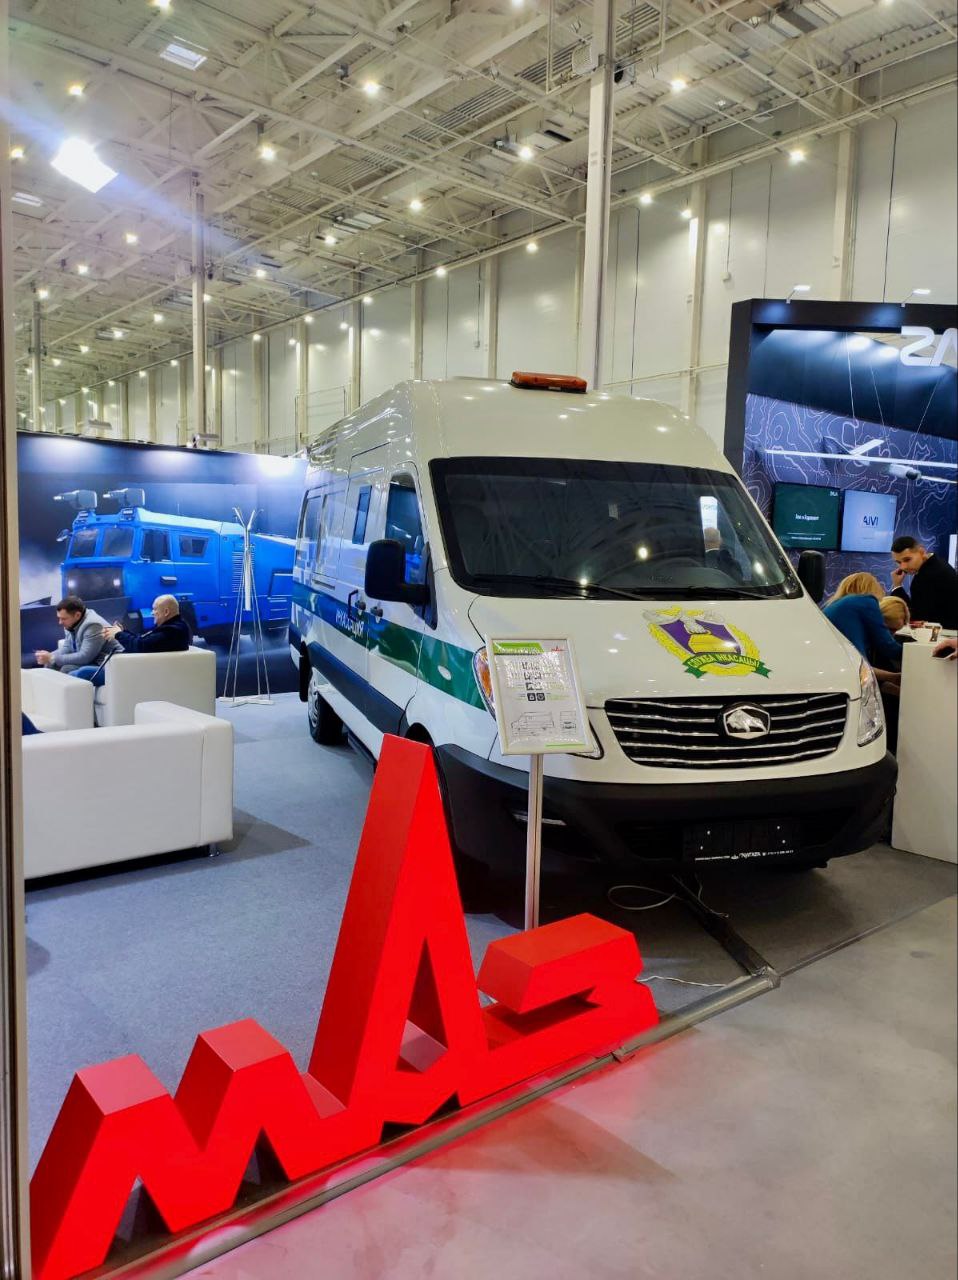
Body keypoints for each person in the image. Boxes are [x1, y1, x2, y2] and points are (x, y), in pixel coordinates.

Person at [823, 574, 905, 673]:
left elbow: (862, 669)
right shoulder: (866, 601)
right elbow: (887, 646)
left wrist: (893, 678)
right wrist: (912, 653)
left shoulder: (832, 606)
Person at [34, 596, 120, 679]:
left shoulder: (94, 625)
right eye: (59, 618)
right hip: (93, 661)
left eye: (63, 619)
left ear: (77, 615)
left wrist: (52, 658)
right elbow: (67, 649)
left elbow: (85, 657)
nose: (60, 622)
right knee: (51, 664)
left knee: (67, 669)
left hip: (109, 665)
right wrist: (48, 656)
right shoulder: (71, 623)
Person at [890, 535, 958, 630]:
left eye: (907, 559)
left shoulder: (926, 577)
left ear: (922, 552)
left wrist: (897, 587)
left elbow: (913, 618)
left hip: (942, 635)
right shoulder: (937, 563)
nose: (903, 567)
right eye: (898, 562)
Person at [103, 594, 192, 655]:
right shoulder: (174, 627)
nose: (152, 613)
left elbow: (141, 645)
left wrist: (118, 634)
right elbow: (143, 639)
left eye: (155, 609)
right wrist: (123, 632)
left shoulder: (173, 631)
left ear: (166, 612)